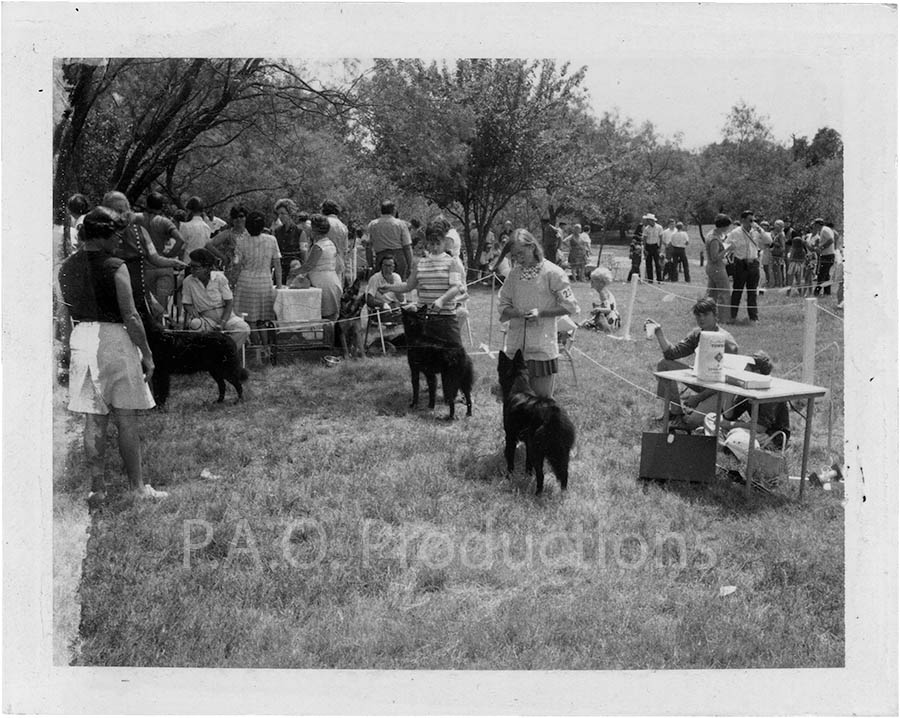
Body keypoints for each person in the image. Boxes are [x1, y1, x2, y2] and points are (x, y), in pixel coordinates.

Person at [58, 207, 167, 506]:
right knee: (126, 418)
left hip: (81, 337)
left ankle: (98, 488)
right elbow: (131, 315)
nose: (119, 240)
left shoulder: (65, 267)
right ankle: (138, 487)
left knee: (93, 420)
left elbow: (63, 314)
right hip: (113, 339)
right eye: (115, 234)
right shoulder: (116, 266)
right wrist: (147, 354)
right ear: (103, 235)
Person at [498, 228, 580, 398]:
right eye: (514, 255)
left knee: (542, 402)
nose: (518, 258)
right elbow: (503, 304)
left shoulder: (553, 273)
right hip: (515, 348)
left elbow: (570, 306)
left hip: (541, 347)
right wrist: (516, 312)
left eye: (521, 253)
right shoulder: (513, 275)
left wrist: (541, 313)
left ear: (532, 247)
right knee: (516, 402)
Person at [647, 297, 740, 421]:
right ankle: (675, 412)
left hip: (719, 390)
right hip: (700, 379)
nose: (701, 319)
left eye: (705, 314)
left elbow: (728, 382)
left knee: (691, 423)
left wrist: (698, 398)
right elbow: (671, 354)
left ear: (715, 315)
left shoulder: (726, 342)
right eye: (698, 315)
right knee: (664, 364)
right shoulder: (697, 334)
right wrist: (659, 332)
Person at [101, 191, 185, 323]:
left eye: (124, 209)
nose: (121, 214)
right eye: (116, 210)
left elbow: (155, 258)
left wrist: (172, 262)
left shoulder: (140, 231)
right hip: (112, 293)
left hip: (139, 293)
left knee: (157, 317)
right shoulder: (101, 234)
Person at [382, 220, 467, 346]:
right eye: (431, 244)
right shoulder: (420, 263)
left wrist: (441, 300)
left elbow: (455, 288)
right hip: (425, 319)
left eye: (438, 243)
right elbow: (408, 286)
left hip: (446, 318)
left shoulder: (452, 262)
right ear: (427, 242)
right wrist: (390, 287)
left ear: (444, 242)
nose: (435, 247)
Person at [180, 248, 251, 351]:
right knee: (195, 324)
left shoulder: (219, 278)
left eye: (196, 267)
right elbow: (186, 303)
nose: (192, 269)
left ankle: (225, 355)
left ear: (207, 267)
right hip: (206, 318)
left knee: (243, 329)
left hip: (226, 316)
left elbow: (229, 303)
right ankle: (210, 357)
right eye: (191, 266)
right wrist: (191, 311)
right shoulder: (188, 281)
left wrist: (222, 323)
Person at [718, 351, 791, 448]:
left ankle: (725, 445)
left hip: (771, 435)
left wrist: (729, 425)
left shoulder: (770, 394)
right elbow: (729, 415)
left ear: (756, 373)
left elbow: (761, 427)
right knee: (711, 418)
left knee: (736, 434)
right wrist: (729, 392)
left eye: (746, 368)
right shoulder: (749, 386)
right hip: (755, 429)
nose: (742, 371)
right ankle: (724, 443)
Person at [233, 210, 282, 340]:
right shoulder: (272, 240)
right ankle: (265, 347)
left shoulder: (241, 241)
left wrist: (232, 282)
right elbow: (277, 265)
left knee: (250, 320)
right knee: (263, 320)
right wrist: (280, 285)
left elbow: (237, 264)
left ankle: (258, 349)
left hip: (246, 283)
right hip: (265, 283)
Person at [135, 192, 185, 312]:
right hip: (163, 267)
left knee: (148, 308)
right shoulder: (164, 222)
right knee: (162, 310)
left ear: (146, 204)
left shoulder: (136, 218)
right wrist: (169, 255)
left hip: (143, 267)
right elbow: (180, 240)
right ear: (161, 206)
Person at [293, 214, 343, 321]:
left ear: (315, 229)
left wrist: (294, 272)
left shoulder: (318, 246)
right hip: (333, 280)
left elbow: (308, 266)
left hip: (322, 283)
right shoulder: (330, 243)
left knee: (325, 316)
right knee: (332, 316)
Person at [724, 210, 762, 323]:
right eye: (750, 220)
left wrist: (761, 229)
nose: (752, 222)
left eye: (754, 220)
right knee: (737, 290)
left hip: (753, 263)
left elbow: (768, 241)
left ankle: (753, 317)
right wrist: (731, 248)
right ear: (743, 220)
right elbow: (725, 245)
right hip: (740, 263)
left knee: (752, 292)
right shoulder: (735, 232)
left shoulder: (756, 232)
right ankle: (732, 316)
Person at [364, 255, 407, 348]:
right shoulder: (375, 278)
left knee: (413, 310)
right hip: (380, 310)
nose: (388, 268)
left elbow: (402, 299)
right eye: (385, 265)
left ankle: (405, 342)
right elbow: (369, 300)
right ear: (381, 266)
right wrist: (382, 304)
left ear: (394, 267)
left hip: (396, 308)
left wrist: (395, 287)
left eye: (391, 266)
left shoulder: (396, 277)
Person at [366, 200, 414, 281]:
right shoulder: (401, 224)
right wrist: (410, 266)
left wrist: (370, 265)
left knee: (382, 285)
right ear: (394, 210)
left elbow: (368, 247)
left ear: (381, 210)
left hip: (381, 258)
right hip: (398, 257)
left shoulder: (373, 224)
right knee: (399, 285)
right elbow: (407, 247)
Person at [205, 205, 248, 289]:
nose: (238, 219)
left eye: (241, 216)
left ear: (246, 217)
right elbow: (209, 245)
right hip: (231, 270)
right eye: (235, 217)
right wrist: (223, 257)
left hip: (247, 271)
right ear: (232, 219)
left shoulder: (250, 234)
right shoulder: (227, 233)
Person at [273, 199, 306, 281]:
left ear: (290, 214)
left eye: (283, 213)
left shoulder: (300, 233)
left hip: (294, 271)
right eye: (278, 214)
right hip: (279, 271)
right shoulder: (276, 232)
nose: (280, 216)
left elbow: (304, 256)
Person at [705, 213, 732, 310]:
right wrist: (728, 249)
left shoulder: (711, 234)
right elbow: (714, 257)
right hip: (717, 268)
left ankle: (707, 312)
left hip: (711, 267)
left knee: (711, 293)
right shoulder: (714, 239)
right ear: (724, 226)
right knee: (724, 292)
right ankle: (724, 317)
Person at [580, 267, 619, 332]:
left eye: (593, 281)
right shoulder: (605, 291)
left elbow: (609, 310)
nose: (591, 282)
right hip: (615, 318)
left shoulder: (602, 293)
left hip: (610, 319)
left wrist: (597, 309)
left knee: (593, 319)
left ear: (601, 283)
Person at [321, 199, 348, 279]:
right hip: (338, 262)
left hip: (324, 262)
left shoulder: (323, 223)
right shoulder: (343, 226)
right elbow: (345, 249)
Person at [180, 196, 213, 261]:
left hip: (188, 261)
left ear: (189, 210)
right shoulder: (207, 227)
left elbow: (181, 247)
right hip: (201, 263)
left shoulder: (185, 226)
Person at [811, 217, 836, 296]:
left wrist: (821, 248)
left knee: (821, 274)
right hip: (827, 255)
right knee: (825, 275)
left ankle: (816, 292)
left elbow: (831, 240)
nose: (814, 226)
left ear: (818, 224)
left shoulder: (824, 230)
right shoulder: (824, 230)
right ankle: (827, 292)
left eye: (815, 224)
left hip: (827, 255)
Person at [785, 228, 810, 297]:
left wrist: (789, 257)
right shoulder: (803, 251)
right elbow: (804, 259)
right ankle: (800, 294)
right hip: (799, 266)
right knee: (798, 281)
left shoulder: (793, 250)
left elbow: (790, 258)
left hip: (793, 265)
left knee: (790, 281)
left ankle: (788, 294)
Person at [641, 213, 663, 283]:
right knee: (649, 264)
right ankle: (650, 279)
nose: (648, 222)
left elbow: (661, 238)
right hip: (648, 246)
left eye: (648, 220)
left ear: (652, 220)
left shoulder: (659, 227)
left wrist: (659, 247)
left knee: (657, 263)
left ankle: (659, 279)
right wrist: (644, 249)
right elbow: (644, 239)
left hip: (655, 246)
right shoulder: (647, 228)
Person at [770, 219, 786, 288]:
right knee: (775, 269)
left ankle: (780, 284)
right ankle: (776, 283)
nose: (775, 227)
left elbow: (782, 246)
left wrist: (774, 243)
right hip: (775, 254)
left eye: (777, 225)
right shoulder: (778, 234)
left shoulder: (781, 234)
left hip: (779, 254)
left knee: (779, 269)